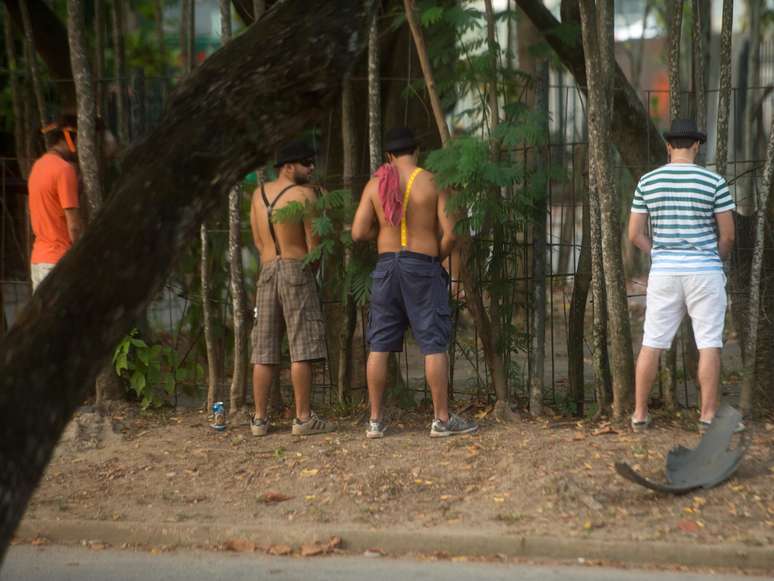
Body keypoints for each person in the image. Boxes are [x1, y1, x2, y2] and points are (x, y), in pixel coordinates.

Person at [352, 127, 478, 439]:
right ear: (416, 152)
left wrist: (381, 235)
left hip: (386, 267)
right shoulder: (432, 181)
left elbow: (357, 233)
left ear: (388, 157)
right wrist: (437, 256)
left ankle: (375, 421)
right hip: (422, 266)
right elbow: (451, 234)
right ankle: (442, 419)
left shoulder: (374, 185)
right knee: (433, 342)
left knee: (379, 344)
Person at [628, 118, 737, 433]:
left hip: (665, 272)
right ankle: (707, 416)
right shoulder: (713, 182)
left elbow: (634, 235)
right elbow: (728, 235)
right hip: (705, 272)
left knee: (652, 341)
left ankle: (639, 414)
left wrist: (659, 253)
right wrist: (714, 257)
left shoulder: (648, 182)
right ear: (697, 146)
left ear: (668, 146)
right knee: (709, 343)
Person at [248, 139, 334, 437]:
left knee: (264, 348)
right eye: (306, 163)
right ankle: (303, 418)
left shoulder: (258, 195)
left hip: (267, 270)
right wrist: (311, 268)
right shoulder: (303, 195)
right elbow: (314, 245)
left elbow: (258, 242)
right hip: (296, 269)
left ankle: (259, 420)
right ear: (288, 167)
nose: (311, 168)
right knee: (301, 347)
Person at [28, 115, 83, 291]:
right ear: (68, 138)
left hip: (38, 261)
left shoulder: (37, 167)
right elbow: (73, 225)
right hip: (58, 262)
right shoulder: (64, 170)